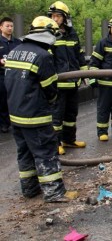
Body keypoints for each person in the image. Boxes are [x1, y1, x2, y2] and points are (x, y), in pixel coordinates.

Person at [4, 16, 77, 202]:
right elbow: (51, 89)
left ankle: (29, 189)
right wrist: (51, 103)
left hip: (15, 115)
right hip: (35, 116)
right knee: (46, 152)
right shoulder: (43, 56)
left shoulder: (14, 51)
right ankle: (54, 192)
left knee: (25, 153)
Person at [47, 1, 87, 155]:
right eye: (52, 16)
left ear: (65, 17)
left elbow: (79, 54)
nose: (55, 18)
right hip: (58, 83)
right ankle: (56, 143)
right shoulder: (49, 34)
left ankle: (69, 140)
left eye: (58, 16)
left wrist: (84, 74)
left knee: (71, 115)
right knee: (56, 116)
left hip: (73, 82)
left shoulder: (72, 33)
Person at [0, 17, 21, 133]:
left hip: (15, 75)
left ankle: (15, 122)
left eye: (11, 26)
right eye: (7, 26)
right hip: (2, 75)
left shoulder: (18, 43)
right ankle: (4, 123)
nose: (10, 28)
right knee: (3, 99)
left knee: (15, 98)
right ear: (1, 27)